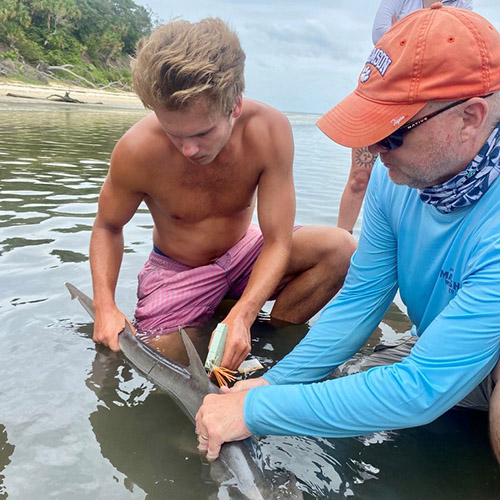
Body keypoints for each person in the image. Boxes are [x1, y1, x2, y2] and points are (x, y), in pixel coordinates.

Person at [195, 4, 500, 465]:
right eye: (372, 128)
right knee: (340, 387)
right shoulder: (392, 180)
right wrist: (272, 385)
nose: (375, 150)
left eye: (393, 134)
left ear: (470, 118)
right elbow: (360, 301)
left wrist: (254, 410)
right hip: (446, 341)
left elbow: (421, 389)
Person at [89, 18, 356, 371]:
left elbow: (277, 240)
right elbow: (107, 227)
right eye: (173, 133)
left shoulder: (269, 131)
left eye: (201, 133)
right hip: (178, 269)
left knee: (342, 249)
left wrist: (245, 316)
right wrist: (105, 306)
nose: (188, 149)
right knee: (160, 362)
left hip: (244, 251)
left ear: (235, 106)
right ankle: (214, 317)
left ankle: (269, 336)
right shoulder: (136, 151)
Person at [338, 0, 473, 234]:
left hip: (425, 101)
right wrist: (428, 44)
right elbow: (379, 36)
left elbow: (461, 48)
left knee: (415, 174)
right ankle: (340, 241)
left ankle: (400, 243)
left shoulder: (462, 2)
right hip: (381, 91)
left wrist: (400, 34)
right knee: (359, 177)